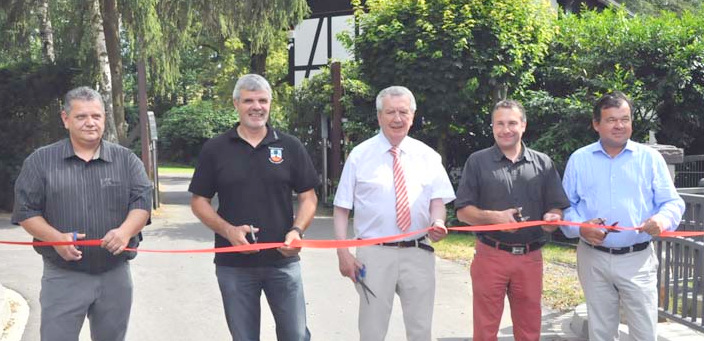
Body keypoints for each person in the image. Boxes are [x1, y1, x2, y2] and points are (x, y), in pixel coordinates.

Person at [11, 86, 152, 341]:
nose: (90, 123)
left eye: (96, 116)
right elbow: (25, 211)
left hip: (115, 275)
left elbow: (141, 203)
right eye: (81, 117)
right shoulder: (40, 161)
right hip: (63, 276)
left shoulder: (127, 161)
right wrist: (55, 238)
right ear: (65, 119)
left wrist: (125, 232)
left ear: (104, 118)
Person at [189, 74, 319, 341]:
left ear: (270, 104)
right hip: (233, 264)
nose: (256, 106)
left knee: (295, 336)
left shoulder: (290, 146)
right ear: (236, 103)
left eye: (262, 100)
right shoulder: (215, 149)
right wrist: (227, 231)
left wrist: (297, 231)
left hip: (283, 262)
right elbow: (199, 201)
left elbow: (309, 196)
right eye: (249, 100)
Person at [333, 86, 455, 341]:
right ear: (379, 117)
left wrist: (438, 222)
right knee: (372, 331)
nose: (397, 119)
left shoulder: (428, 156)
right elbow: (342, 208)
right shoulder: (360, 155)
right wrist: (343, 254)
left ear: (412, 116)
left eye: (403, 112)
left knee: (421, 330)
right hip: (374, 255)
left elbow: (437, 201)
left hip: (418, 253)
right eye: (390, 112)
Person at [560, 91, 684, 340]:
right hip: (593, 258)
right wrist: (580, 228)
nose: (619, 125)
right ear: (596, 124)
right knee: (601, 331)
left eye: (625, 119)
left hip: (637, 258)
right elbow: (566, 207)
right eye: (611, 119)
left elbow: (672, 202)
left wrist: (662, 220)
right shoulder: (579, 160)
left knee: (644, 331)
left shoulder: (650, 158)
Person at [455, 99, 569, 341]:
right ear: (493, 127)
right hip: (491, 255)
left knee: (529, 330)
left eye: (512, 123)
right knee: (485, 330)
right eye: (500, 123)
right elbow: (462, 212)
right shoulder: (477, 162)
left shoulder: (543, 163)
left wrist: (553, 217)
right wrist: (493, 218)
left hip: (530, 258)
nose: (506, 129)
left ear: (523, 125)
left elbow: (556, 206)